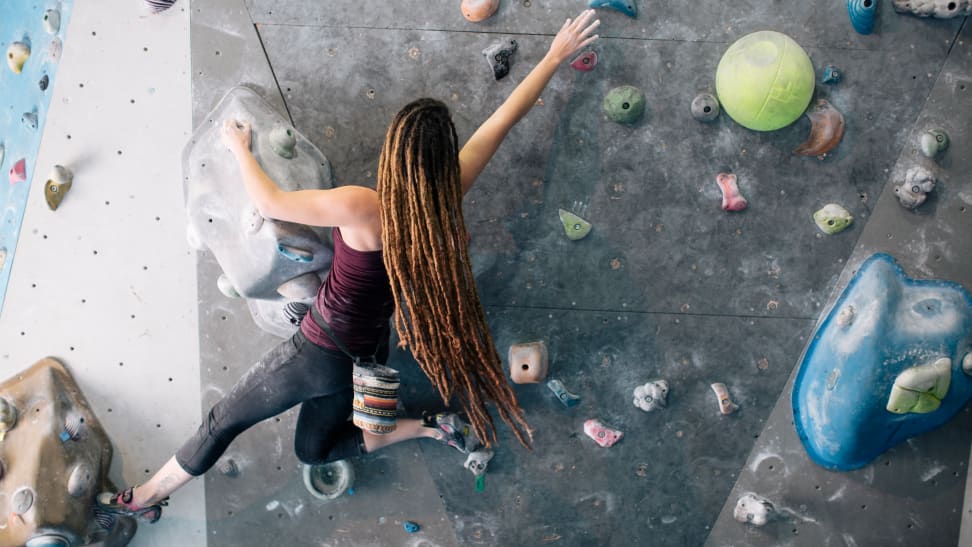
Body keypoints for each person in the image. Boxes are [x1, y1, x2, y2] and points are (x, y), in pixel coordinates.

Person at [97, 10, 600, 523]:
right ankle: (432, 425)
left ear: (395, 154)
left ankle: (141, 497)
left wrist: (240, 148)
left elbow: (270, 202)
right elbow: (502, 121)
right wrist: (554, 57)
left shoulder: (364, 206)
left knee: (222, 421)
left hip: (318, 352)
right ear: (441, 160)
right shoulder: (446, 197)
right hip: (369, 351)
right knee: (312, 451)